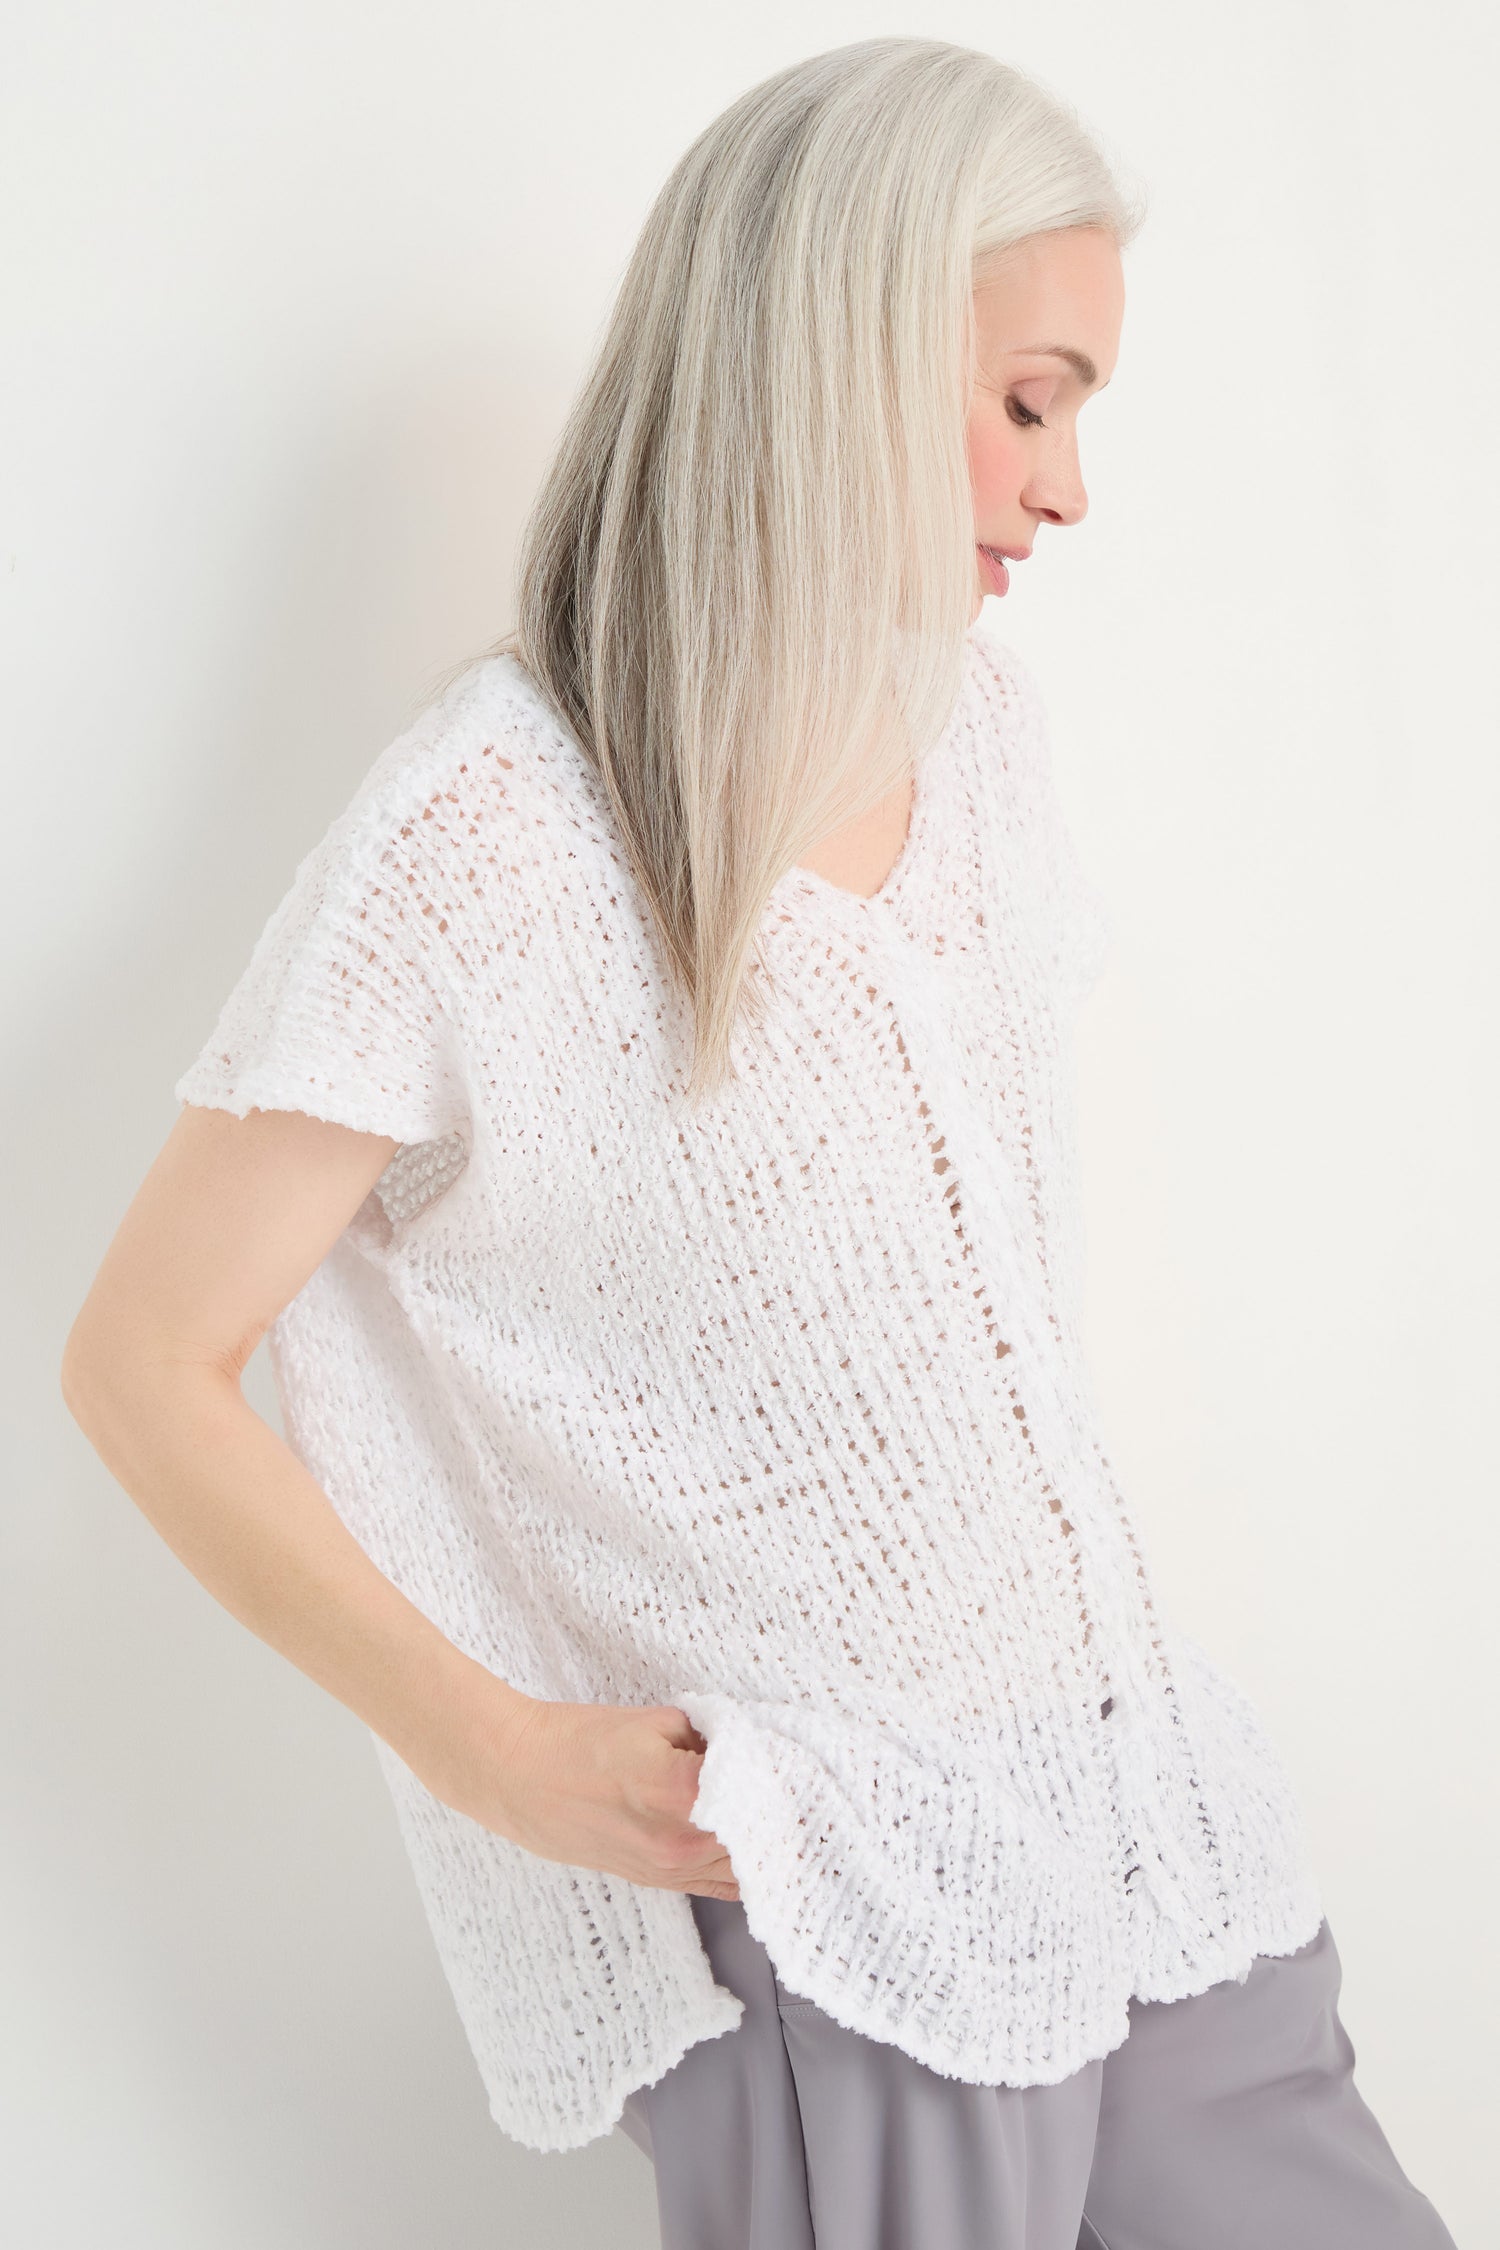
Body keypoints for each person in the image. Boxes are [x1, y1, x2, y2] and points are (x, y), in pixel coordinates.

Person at [60, 35, 1458, 2250]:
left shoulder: (977, 738)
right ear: (846, 348)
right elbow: (142, 1360)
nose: (1072, 484)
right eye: (1030, 398)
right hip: (835, 1899)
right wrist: (496, 1750)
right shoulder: (491, 832)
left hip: (1136, 1831)